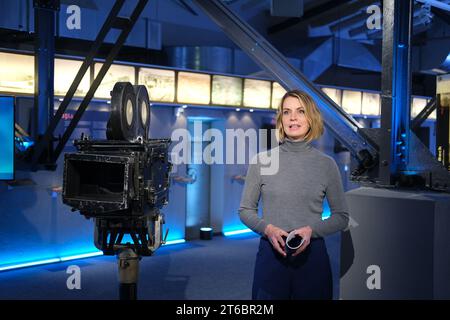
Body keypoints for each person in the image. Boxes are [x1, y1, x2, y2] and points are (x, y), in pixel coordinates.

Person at [238, 89, 349, 300]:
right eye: (287, 112)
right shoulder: (262, 161)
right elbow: (245, 210)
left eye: (300, 111)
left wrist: (311, 230)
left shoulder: (326, 165)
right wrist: (267, 229)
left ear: (311, 118)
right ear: (281, 119)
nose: (293, 118)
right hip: (271, 255)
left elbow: (341, 217)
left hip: (312, 257)